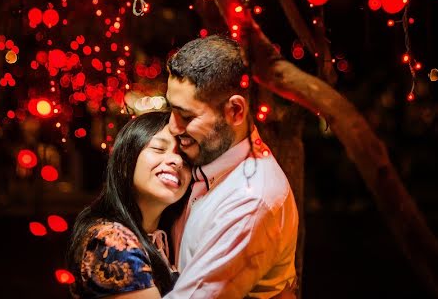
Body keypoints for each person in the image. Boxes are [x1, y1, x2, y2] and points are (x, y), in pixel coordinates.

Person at [163, 35, 298, 298]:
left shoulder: (251, 200)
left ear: (235, 111)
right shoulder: (205, 159)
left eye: (187, 116)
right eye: (171, 109)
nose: (172, 126)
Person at [68, 111, 192, 298]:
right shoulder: (111, 241)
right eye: (159, 148)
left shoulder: (166, 238)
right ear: (126, 161)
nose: (177, 160)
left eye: (185, 156)